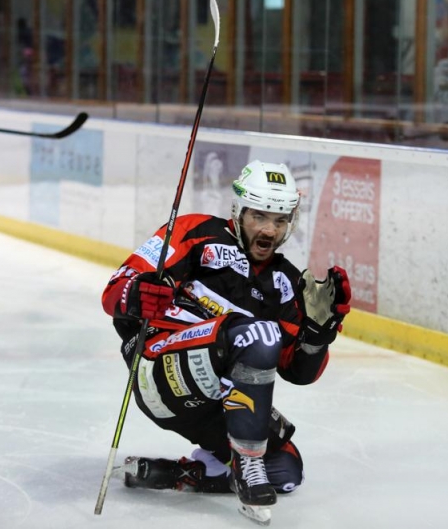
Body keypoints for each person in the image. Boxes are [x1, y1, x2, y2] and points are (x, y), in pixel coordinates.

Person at [101, 160, 352, 521]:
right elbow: (115, 291)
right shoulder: (194, 231)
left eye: (280, 220)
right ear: (238, 210)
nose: (269, 230)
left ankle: (189, 473)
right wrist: (137, 294)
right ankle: (247, 466)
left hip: (214, 401)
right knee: (260, 333)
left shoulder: (286, 282)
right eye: (259, 216)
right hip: (160, 371)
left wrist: (318, 332)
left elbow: (300, 372)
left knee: (285, 470)